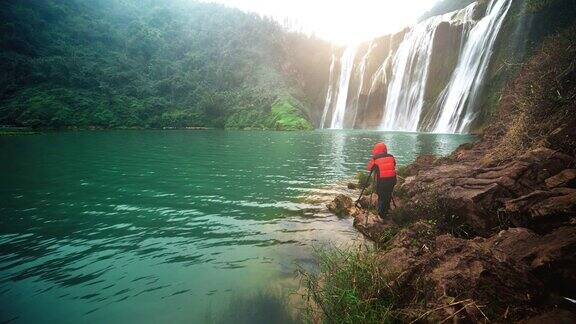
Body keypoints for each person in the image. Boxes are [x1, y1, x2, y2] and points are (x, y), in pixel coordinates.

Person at [366, 142, 397, 218]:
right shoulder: (391, 156)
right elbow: (394, 164)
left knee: (381, 196)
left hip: (382, 181)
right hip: (392, 180)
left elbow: (369, 168)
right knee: (388, 194)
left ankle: (381, 215)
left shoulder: (375, 158)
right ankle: (386, 210)